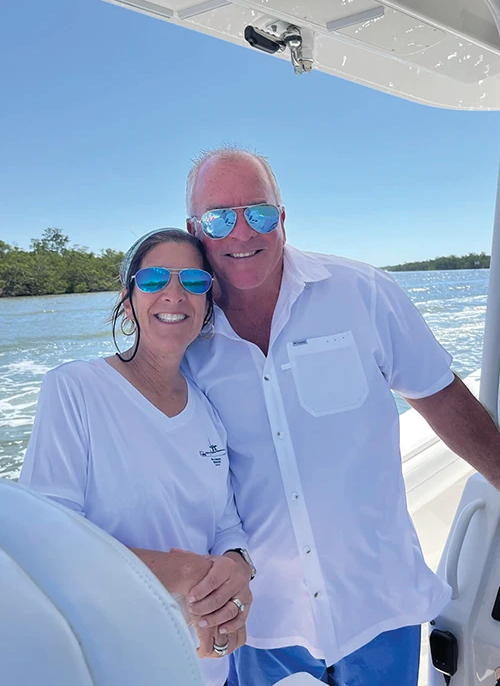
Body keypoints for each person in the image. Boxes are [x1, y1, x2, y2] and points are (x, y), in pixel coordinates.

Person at [183, 147, 500, 686]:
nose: (241, 232)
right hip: (262, 622)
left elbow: (442, 398)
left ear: (282, 218)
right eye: (218, 218)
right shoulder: (183, 338)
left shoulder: (361, 293)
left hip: (378, 607)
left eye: (258, 212)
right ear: (195, 230)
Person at [19, 227, 254, 686]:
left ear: (207, 306)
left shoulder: (208, 411)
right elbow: (45, 545)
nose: (174, 294)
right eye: (152, 281)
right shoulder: (75, 389)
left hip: (204, 670)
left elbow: (227, 526)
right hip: (107, 668)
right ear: (128, 302)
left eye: (193, 281)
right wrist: (189, 572)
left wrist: (235, 575)